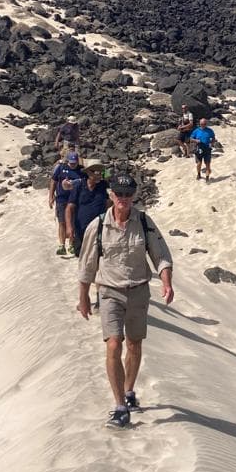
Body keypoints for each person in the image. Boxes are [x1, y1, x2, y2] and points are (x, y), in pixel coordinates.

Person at [77, 172, 174, 428]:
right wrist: (83, 297)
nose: (123, 199)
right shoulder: (97, 226)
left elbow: (161, 254)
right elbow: (87, 264)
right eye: (118, 194)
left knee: (134, 344)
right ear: (111, 194)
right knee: (113, 344)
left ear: (134, 196)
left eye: (127, 194)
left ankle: (129, 391)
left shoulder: (144, 222)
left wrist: (166, 282)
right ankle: (120, 406)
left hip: (139, 291)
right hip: (109, 292)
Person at [65, 157, 111, 257]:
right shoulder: (79, 185)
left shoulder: (103, 186)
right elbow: (69, 208)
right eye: (96, 171)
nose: (99, 174)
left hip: (99, 230)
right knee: (80, 255)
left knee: (98, 257)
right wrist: (69, 227)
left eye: (100, 171)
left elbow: (109, 204)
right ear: (88, 172)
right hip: (81, 230)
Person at [49, 151, 84, 255]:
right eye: (71, 162)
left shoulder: (81, 170)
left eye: (75, 162)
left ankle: (72, 244)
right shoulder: (60, 168)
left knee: (73, 222)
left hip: (75, 200)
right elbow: (53, 181)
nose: (73, 165)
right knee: (62, 222)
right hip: (61, 198)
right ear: (67, 161)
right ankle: (62, 245)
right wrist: (51, 196)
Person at [190, 117, 216, 182]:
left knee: (207, 163)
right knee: (199, 163)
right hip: (199, 148)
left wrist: (212, 143)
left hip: (207, 148)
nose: (203, 125)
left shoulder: (210, 130)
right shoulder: (196, 130)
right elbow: (191, 139)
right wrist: (196, 140)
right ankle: (198, 174)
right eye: (201, 124)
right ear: (199, 124)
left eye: (204, 124)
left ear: (206, 124)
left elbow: (213, 138)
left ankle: (207, 177)